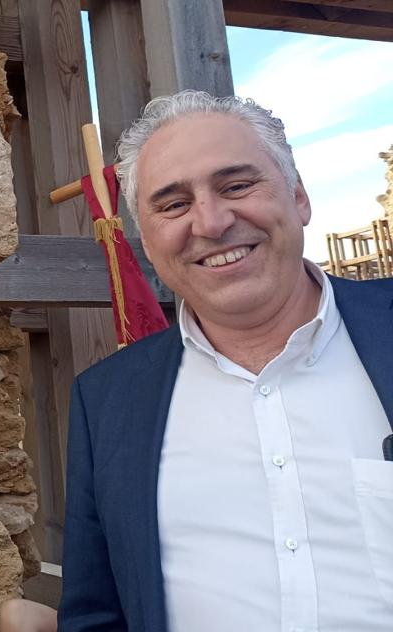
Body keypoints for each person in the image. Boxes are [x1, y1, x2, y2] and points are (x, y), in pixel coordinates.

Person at [57, 91, 393, 631]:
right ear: (145, 237)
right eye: (172, 205)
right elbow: (98, 614)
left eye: (236, 186)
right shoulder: (108, 400)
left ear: (299, 197)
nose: (211, 222)